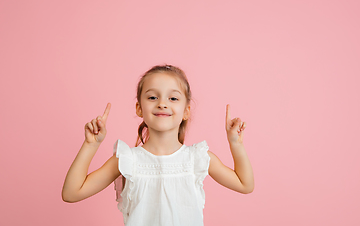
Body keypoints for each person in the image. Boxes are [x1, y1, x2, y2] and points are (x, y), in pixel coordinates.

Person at [62, 65, 254, 226]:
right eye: (153, 97)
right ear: (139, 107)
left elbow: (245, 184)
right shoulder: (128, 161)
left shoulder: (197, 158)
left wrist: (235, 144)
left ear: (186, 111)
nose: (162, 103)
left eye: (173, 98)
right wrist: (90, 144)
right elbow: (71, 193)